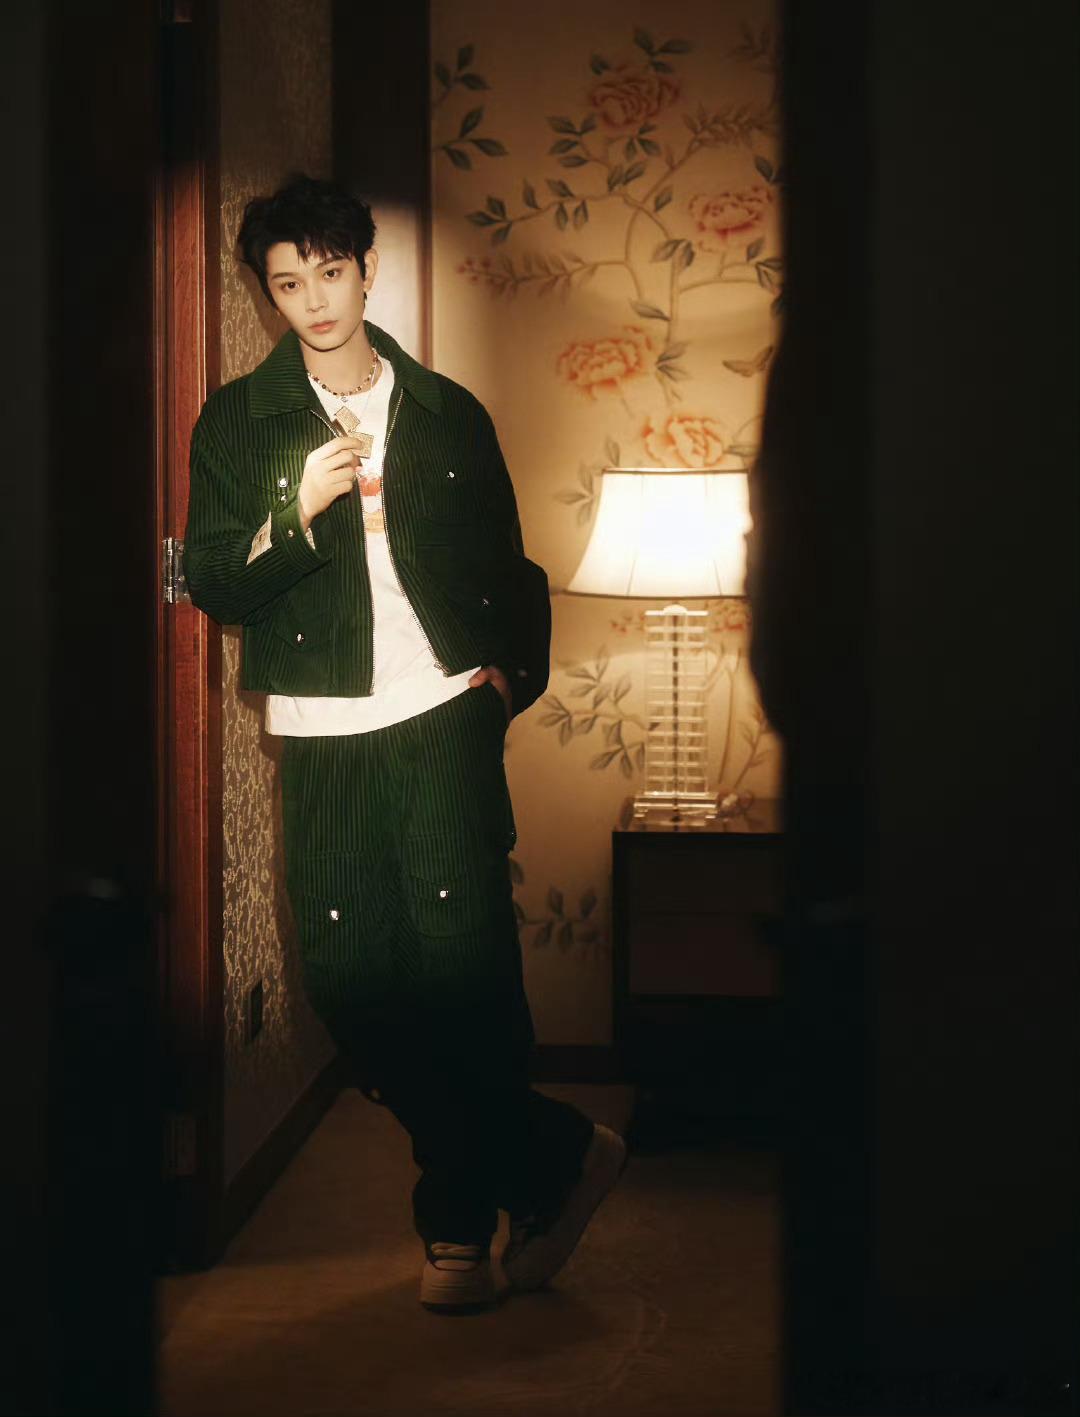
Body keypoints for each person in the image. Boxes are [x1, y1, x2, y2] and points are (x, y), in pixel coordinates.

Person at [183, 173, 626, 1312]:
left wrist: (501, 681)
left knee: (465, 974)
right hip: (321, 727)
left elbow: (509, 565)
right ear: (269, 293)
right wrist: (297, 509)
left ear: (366, 270)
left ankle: (458, 1226)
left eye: (331, 272)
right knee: (354, 986)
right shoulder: (237, 420)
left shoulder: (445, 412)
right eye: (289, 283)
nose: (315, 300)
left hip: (438, 713)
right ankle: (553, 1154)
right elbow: (218, 582)